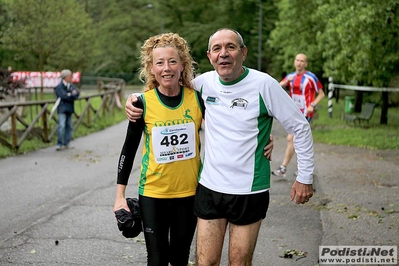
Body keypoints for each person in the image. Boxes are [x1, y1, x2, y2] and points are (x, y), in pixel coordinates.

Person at [125, 28, 314, 266]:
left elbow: (300, 127)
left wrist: (305, 176)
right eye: (217, 49)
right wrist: (133, 98)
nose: (223, 53)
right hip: (209, 188)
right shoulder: (203, 85)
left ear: (243, 52)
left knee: (239, 263)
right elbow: (167, 86)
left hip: (249, 189)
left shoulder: (264, 85)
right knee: (205, 262)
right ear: (209, 56)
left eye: (231, 47)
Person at [113, 32, 203, 266]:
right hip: (153, 194)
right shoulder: (142, 103)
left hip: (189, 194)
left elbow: (223, 133)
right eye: (160, 63)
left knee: (181, 259)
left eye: (172, 61)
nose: (167, 68)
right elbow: (128, 150)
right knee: (157, 260)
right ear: (151, 68)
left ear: (182, 65)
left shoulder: (197, 99)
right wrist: (119, 196)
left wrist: (263, 141)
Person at [272, 53, 325, 177]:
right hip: (293, 112)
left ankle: (283, 167)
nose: (299, 63)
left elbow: (321, 94)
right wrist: (285, 83)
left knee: (292, 138)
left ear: (305, 64)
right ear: (294, 62)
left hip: (306, 112)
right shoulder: (290, 76)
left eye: (302, 61)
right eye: (297, 60)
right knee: (299, 140)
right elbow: (276, 88)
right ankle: (304, 169)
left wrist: (313, 104)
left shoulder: (311, 77)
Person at [54, 69, 79, 150]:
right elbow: (63, 96)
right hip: (62, 108)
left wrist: (70, 95)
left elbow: (77, 93)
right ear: (66, 77)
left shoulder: (71, 86)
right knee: (61, 126)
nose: (71, 77)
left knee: (69, 126)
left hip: (69, 108)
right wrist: (71, 94)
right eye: (70, 76)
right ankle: (59, 143)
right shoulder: (59, 87)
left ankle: (67, 142)